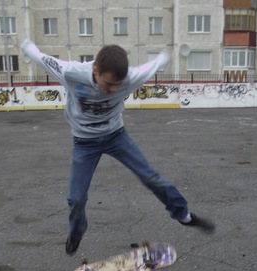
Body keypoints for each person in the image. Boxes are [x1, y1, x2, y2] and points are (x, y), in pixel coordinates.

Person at [21, 40, 214, 256]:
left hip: (116, 136)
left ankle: (184, 216)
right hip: (84, 143)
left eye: (117, 86)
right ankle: (76, 232)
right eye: (108, 84)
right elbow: (42, 58)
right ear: (95, 71)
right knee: (76, 198)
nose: (112, 90)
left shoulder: (131, 78)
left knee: (151, 177)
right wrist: (27, 46)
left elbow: (153, 65)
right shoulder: (71, 73)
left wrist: (164, 56)